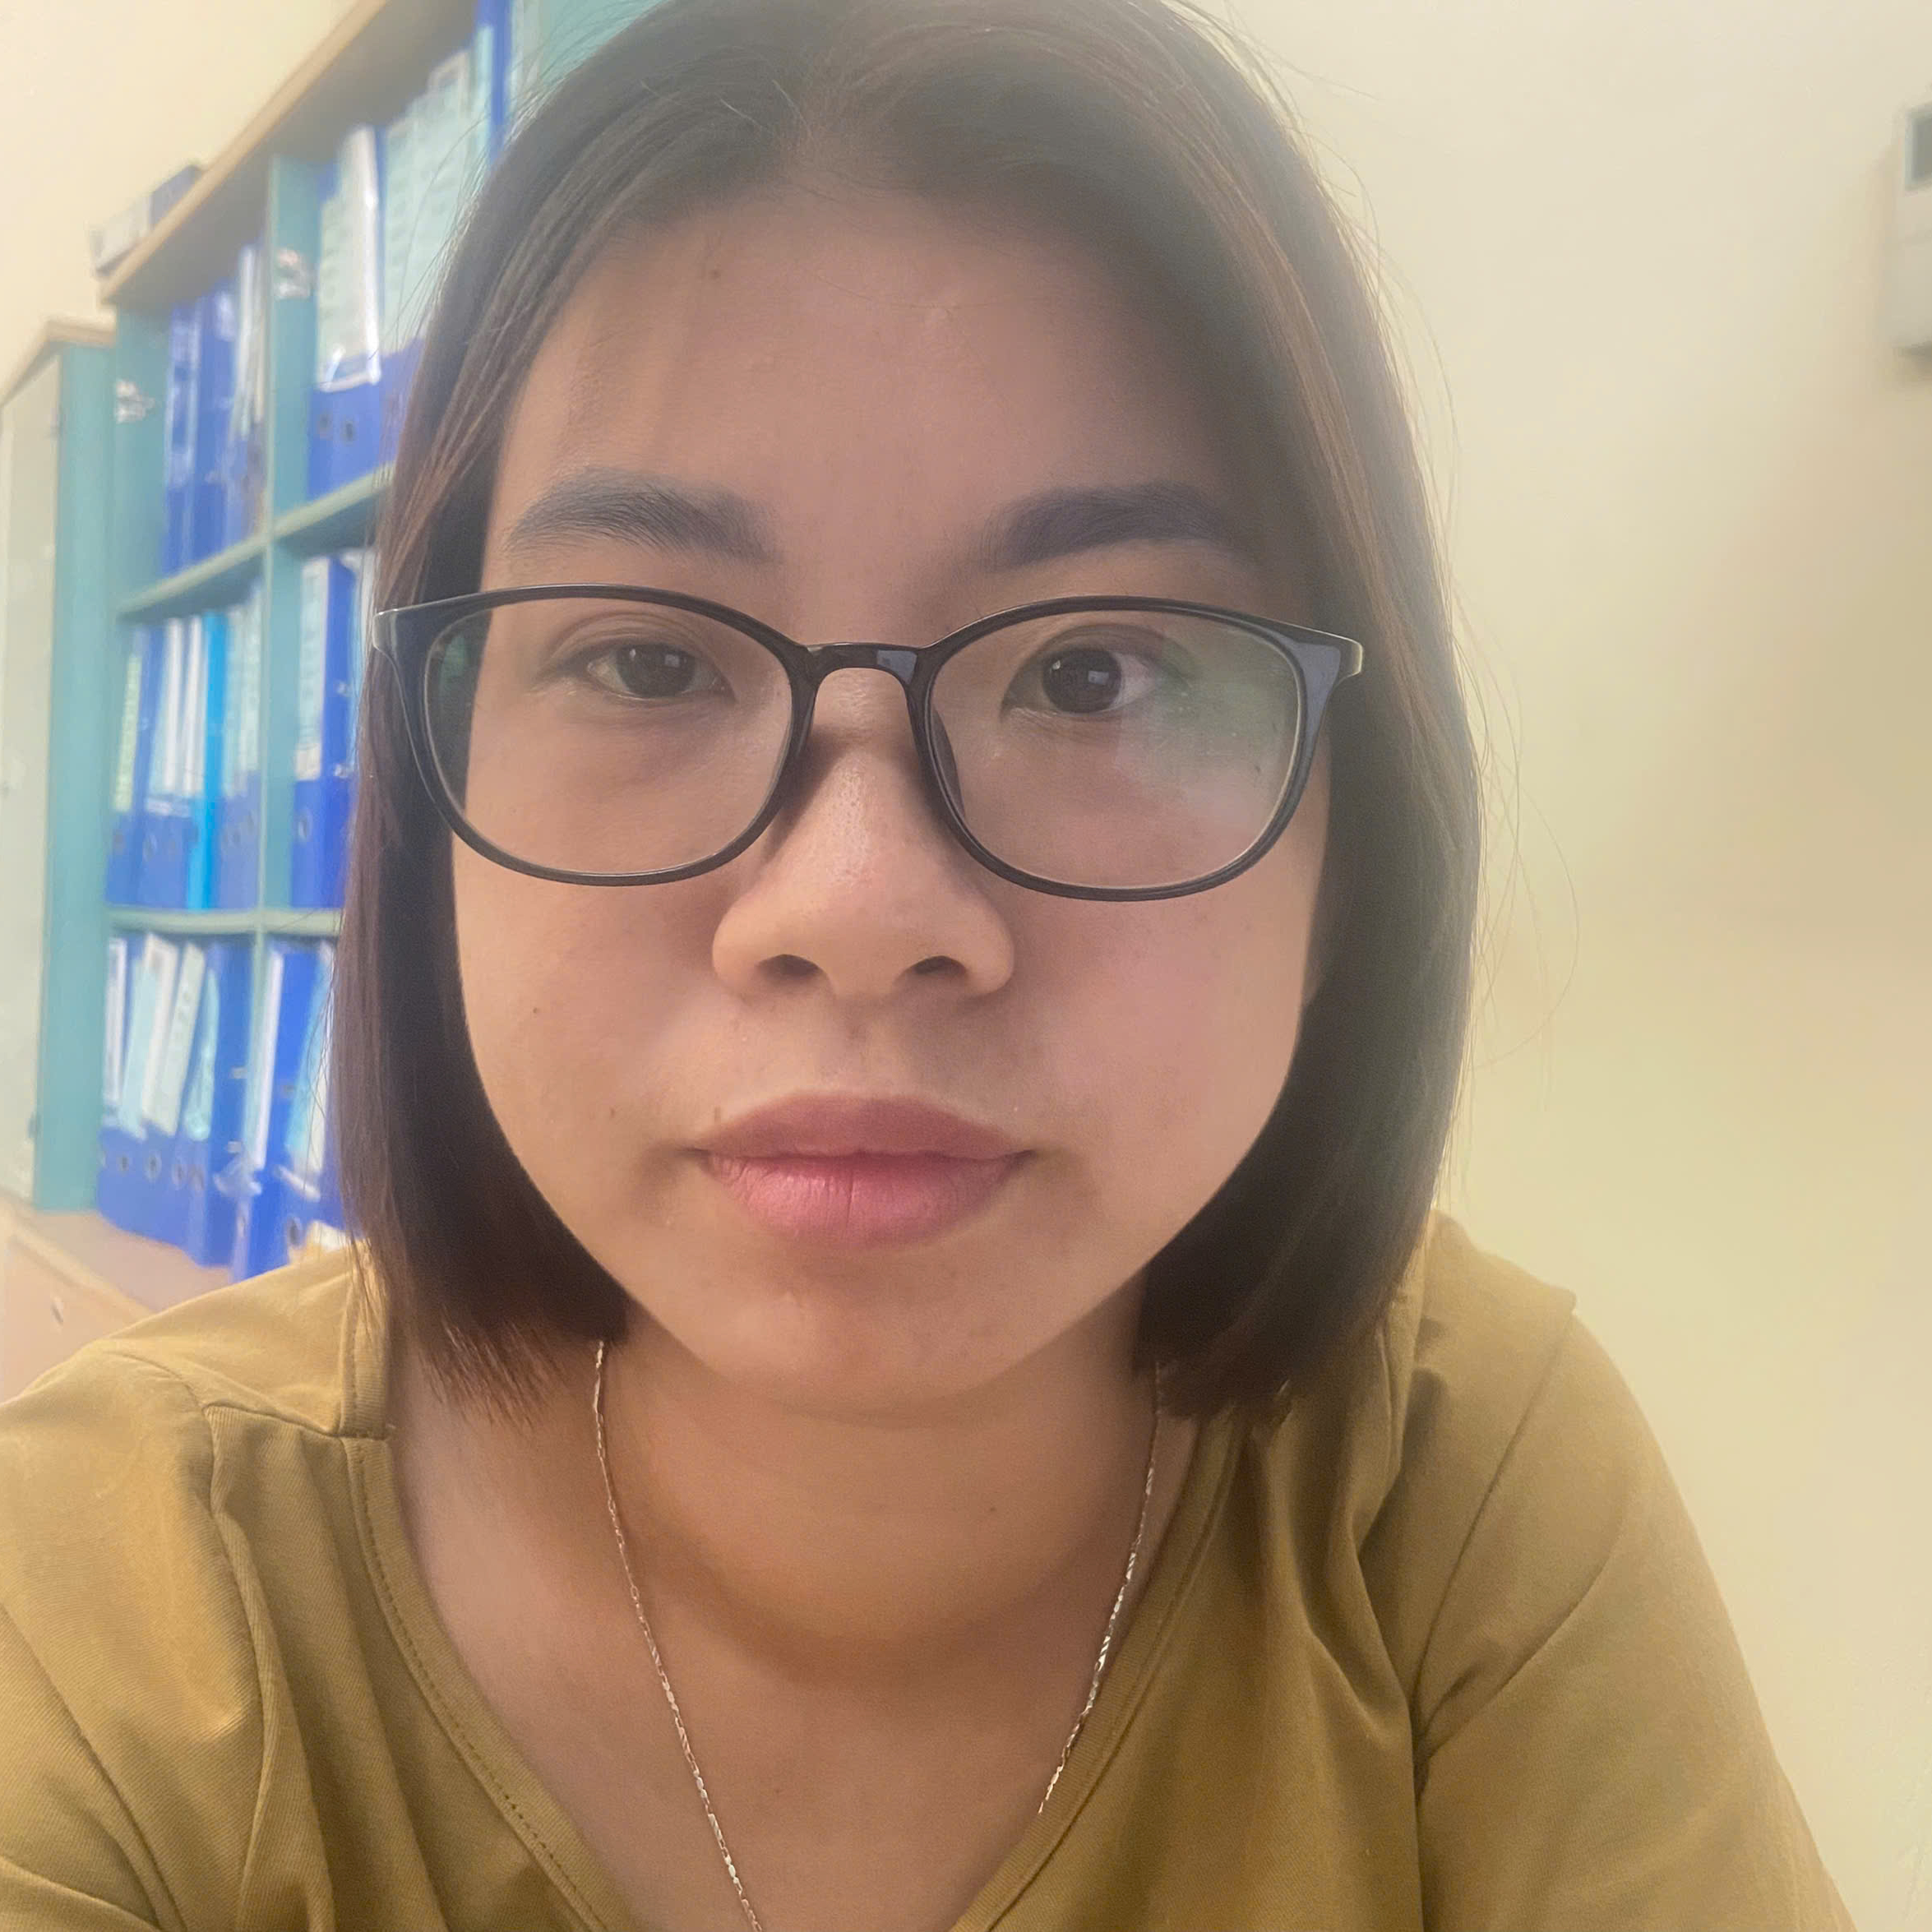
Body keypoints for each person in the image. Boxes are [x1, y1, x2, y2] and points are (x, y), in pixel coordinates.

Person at [0, 0, 1856, 1926]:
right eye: (646, 658)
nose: (859, 903)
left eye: (1092, 671)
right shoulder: (113, 1581)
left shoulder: (1450, 1486)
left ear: (1350, 830)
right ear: (426, 782)